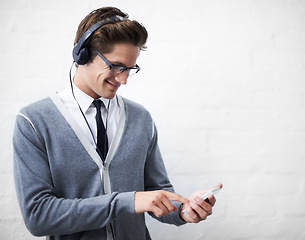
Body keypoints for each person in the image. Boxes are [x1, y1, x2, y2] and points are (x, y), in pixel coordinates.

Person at [13, 6, 222, 240]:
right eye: (114, 66)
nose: (123, 79)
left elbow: (155, 193)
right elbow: (38, 217)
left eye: (129, 69)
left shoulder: (140, 118)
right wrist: (127, 201)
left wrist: (183, 211)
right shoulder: (34, 122)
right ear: (82, 54)